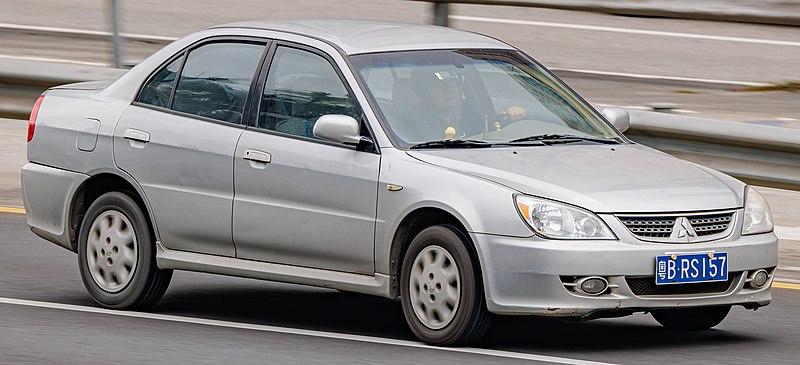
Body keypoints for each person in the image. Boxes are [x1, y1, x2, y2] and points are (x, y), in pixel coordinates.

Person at [396, 66, 526, 143]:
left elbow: (493, 128)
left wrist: (511, 116)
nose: (450, 89)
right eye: (440, 84)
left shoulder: (471, 110)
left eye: (453, 83)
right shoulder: (412, 122)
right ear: (422, 91)